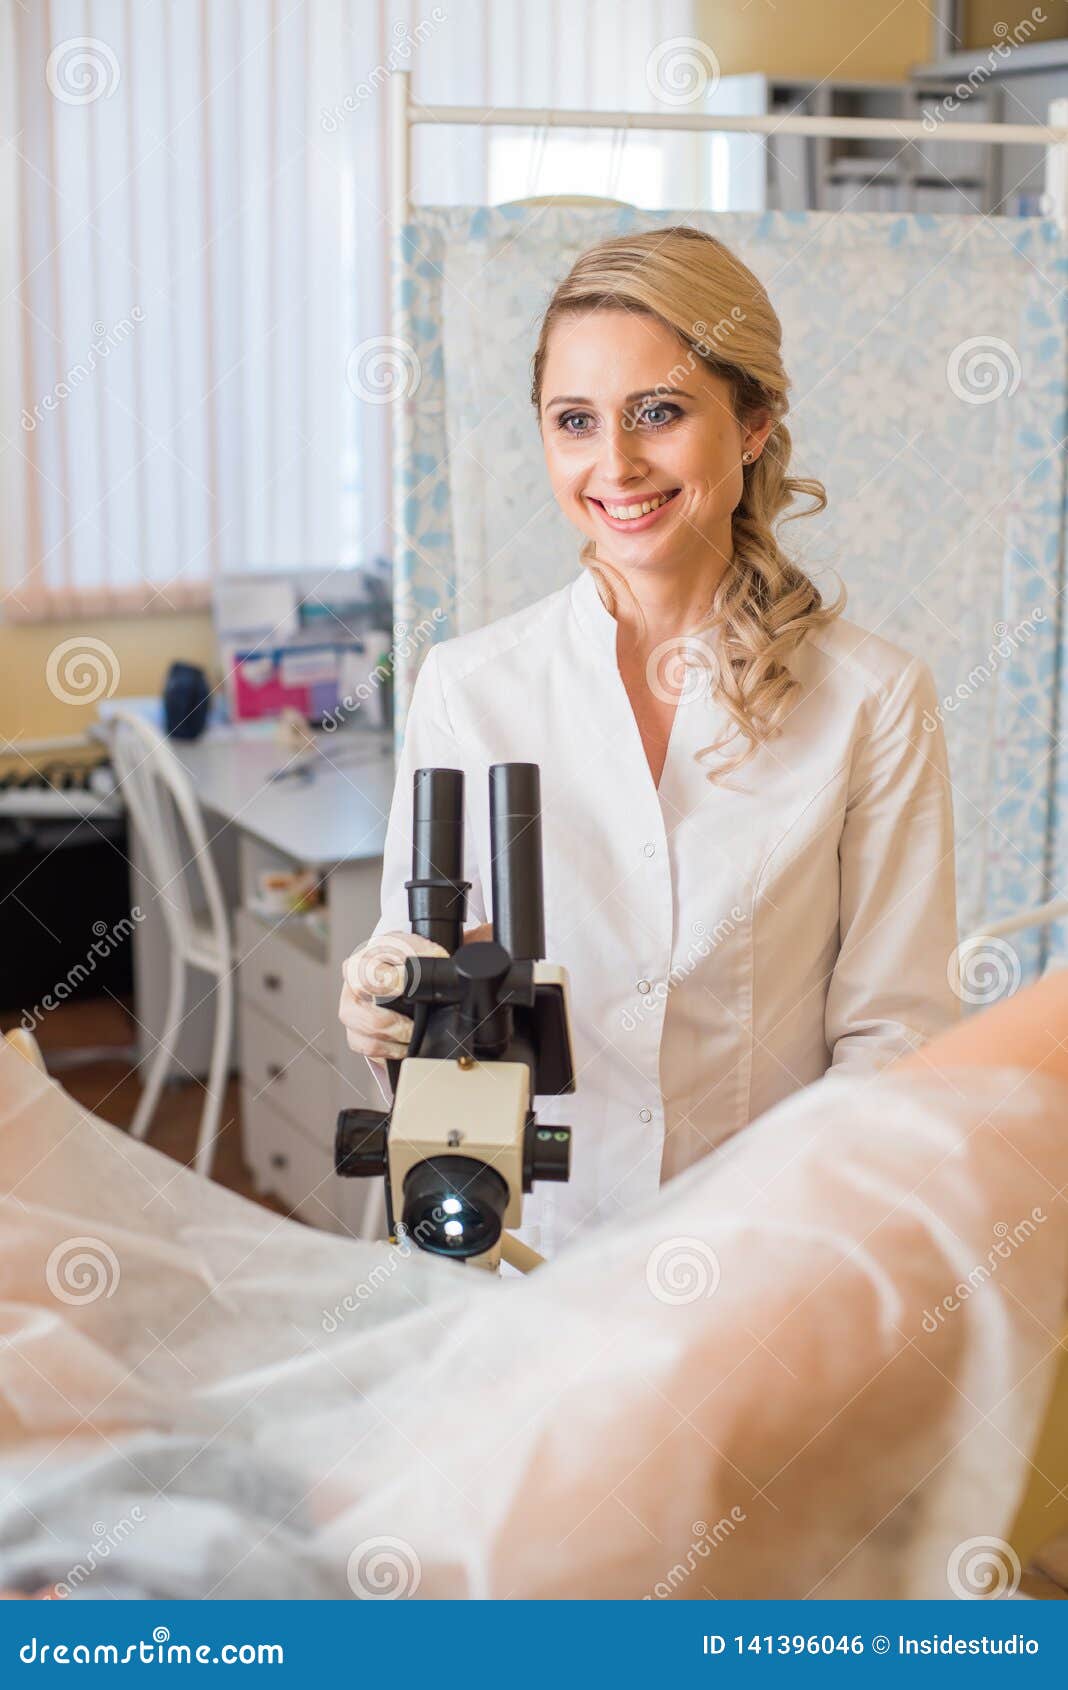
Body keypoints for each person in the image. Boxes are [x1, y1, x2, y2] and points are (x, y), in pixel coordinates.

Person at [339, 225, 960, 1260]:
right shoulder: (471, 688)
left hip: (770, 1249)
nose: (615, 464)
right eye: (573, 421)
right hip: (525, 1246)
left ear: (753, 422)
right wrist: (384, 1002)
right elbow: (429, 967)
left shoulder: (874, 699)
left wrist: (793, 1246)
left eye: (659, 413)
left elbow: (897, 1034)